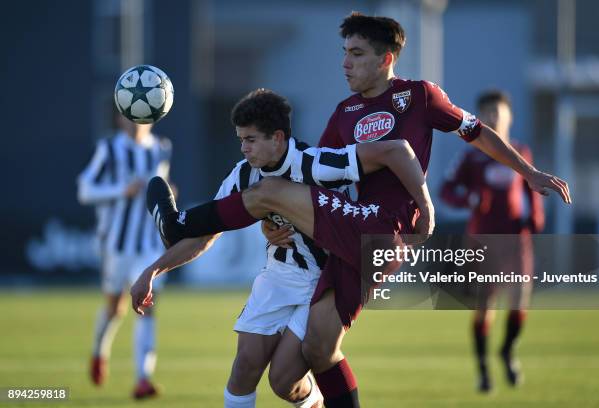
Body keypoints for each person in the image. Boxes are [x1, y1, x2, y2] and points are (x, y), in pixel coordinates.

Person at [135, 13, 570, 408]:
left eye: (357, 54)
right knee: (304, 361)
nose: (346, 63)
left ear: (386, 58)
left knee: (269, 191)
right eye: (344, 53)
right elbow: (313, 180)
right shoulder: (344, 113)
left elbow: (474, 133)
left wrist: (526, 173)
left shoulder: (419, 96)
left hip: (386, 227)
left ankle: (177, 224)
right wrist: (275, 222)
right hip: (350, 238)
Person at [133, 88, 432, 408]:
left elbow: (394, 154)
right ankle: (173, 225)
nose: (244, 149)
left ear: (277, 138)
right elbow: (208, 234)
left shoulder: (317, 164)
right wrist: (152, 270)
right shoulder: (243, 174)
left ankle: (173, 223)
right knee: (244, 368)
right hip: (277, 276)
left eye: (250, 140)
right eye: (240, 140)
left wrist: (423, 208)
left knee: (283, 380)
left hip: (321, 282)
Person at [440, 90, 544, 392]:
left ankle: (508, 352)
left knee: (520, 301)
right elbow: (446, 189)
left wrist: (535, 218)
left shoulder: (521, 152)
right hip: (483, 241)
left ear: (510, 116)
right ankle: (484, 369)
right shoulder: (471, 156)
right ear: (479, 117)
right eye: (487, 112)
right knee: (485, 306)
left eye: (498, 112)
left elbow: (530, 191)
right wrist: (469, 199)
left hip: (516, 239)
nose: (493, 117)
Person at [77, 114, 172, 399]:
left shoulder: (162, 147)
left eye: (141, 117)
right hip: (117, 245)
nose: (135, 123)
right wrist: (122, 190)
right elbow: (85, 189)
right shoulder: (109, 148)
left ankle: (143, 378)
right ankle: (98, 352)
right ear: (119, 119)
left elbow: (161, 185)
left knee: (147, 305)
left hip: (149, 245)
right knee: (114, 308)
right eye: (129, 116)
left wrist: (170, 196)